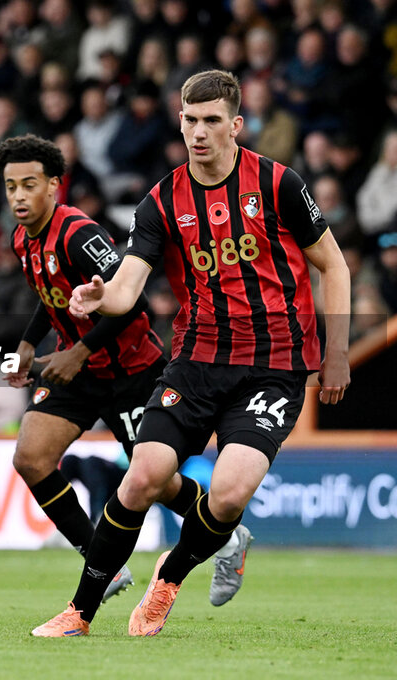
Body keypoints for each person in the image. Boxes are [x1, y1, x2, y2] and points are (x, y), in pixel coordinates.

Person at [35, 69, 350, 637]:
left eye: (211, 120)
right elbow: (129, 286)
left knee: (227, 496)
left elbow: (334, 264)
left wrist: (338, 352)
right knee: (142, 477)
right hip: (198, 361)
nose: (199, 132)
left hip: (275, 366)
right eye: (190, 120)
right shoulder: (161, 200)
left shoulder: (277, 183)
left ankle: (168, 579)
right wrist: (101, 296)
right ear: (179, 122)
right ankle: (79, 612)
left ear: (236, 124)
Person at [0, 134, 241, 606]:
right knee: (30, 457)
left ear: (54, 185)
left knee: (156, 482)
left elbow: (133, 303)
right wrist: (27, 343)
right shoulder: (22, 238)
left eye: (29, 184)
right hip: (80, 371)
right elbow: (53, 296)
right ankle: (102, 563)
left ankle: (226, 533)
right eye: (10, 187)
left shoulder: (78, 234)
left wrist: (78, 351)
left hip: (132, 371)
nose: (19, 196)